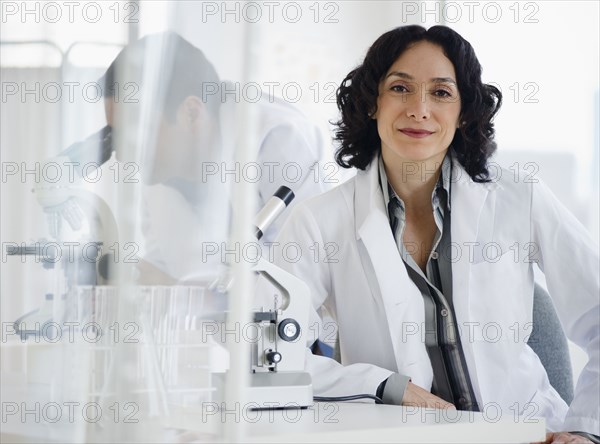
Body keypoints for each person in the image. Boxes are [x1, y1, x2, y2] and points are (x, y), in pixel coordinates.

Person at [265, 25, 599, 442]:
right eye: (400, 88)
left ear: (463, 113)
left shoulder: (518, 197)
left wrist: (586, 430)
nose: (419, 109)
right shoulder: (319, 221)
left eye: (441, 93)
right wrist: (383, 387)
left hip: (527, 435)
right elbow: (268, 356)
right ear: (372, 103)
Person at [97, 31, 331, 282]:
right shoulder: (158, 172)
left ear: (191, 113)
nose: (122, 156)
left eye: (133, 134)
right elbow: (164, 268)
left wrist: (189, 294)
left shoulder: (279, 139)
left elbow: (307, 276)